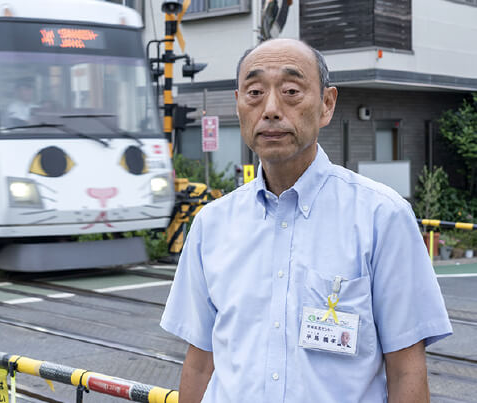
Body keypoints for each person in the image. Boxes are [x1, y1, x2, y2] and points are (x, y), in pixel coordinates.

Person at [160, 38, 452, 402]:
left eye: (291, 91)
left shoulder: (382, 216)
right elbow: (201, 362)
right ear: (238, 104)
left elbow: (406, 368)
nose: (270, 109)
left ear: (327, 104)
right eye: (254, 92)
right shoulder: (212, 224)